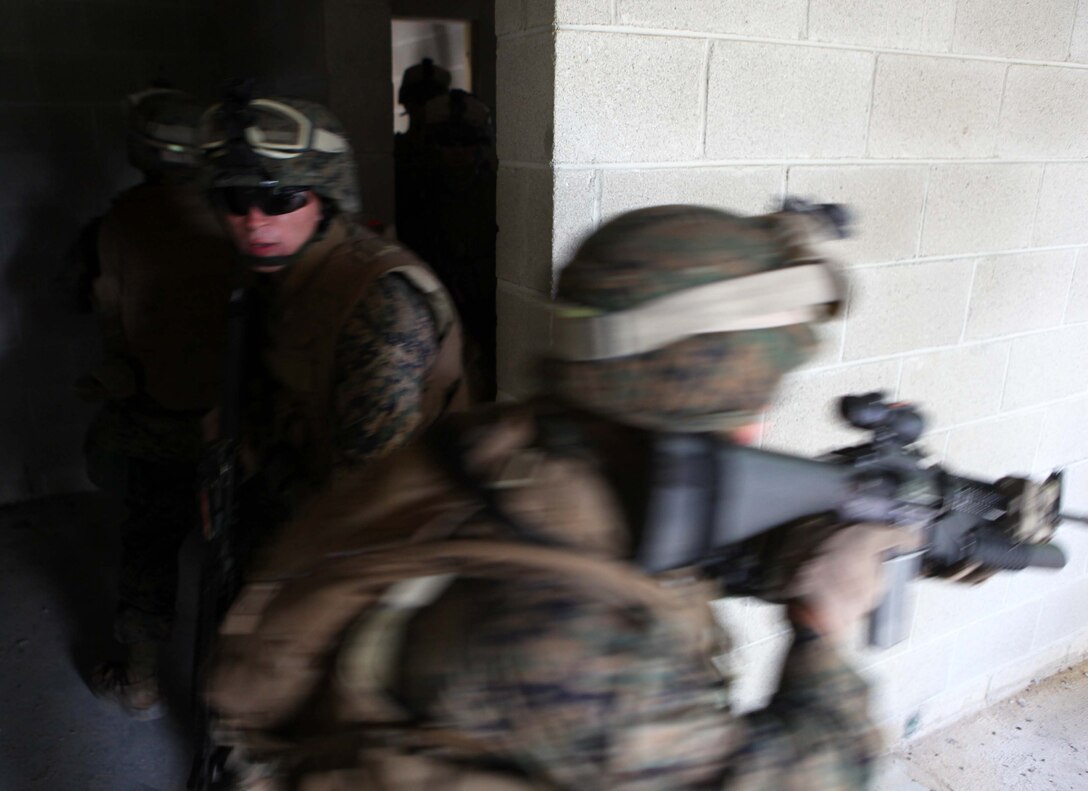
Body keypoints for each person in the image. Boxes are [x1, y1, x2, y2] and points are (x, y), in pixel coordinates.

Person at [202, 204, 911, 789]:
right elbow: (808, 773)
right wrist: (825, 624)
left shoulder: (510, 442)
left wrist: (803, 541)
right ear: (731, 402)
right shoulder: (597, 654)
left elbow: (654, 535)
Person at [197, 91, 468, 529]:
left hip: (383, 531)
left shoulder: (379, 304)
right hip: (300, 495)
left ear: (326, 198)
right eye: (234, 199)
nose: (254, 220)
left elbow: (370, 499)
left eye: (280, 199)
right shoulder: (269, 276)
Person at [80, 87, 236, 719]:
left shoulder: (120, 223)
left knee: (148, 551)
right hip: (229, 424)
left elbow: (113, 331)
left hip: (156, 423)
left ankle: (141, 682)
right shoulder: (233, 213)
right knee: (234, 556)